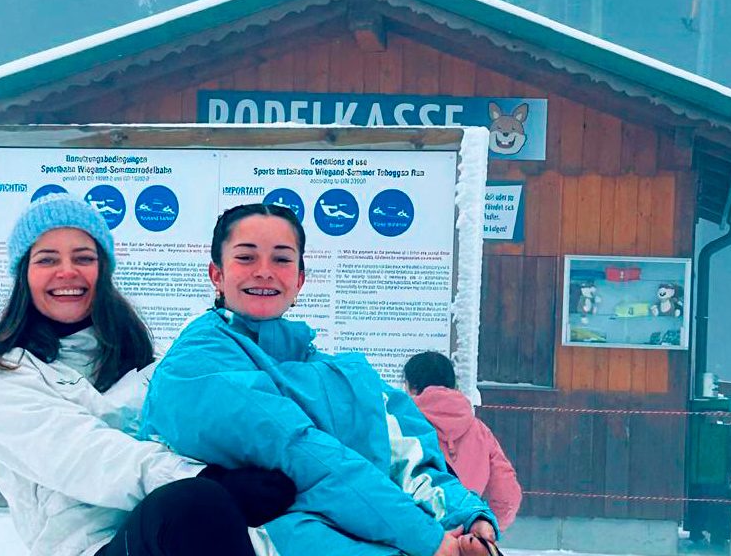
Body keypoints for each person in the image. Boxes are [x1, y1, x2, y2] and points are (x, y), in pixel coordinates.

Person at [140, 203, 500, 556]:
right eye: (246, 257)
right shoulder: (197, 363)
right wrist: (428, 540)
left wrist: (465, 517)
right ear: (216, 274)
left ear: (299, 280)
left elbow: (405, 454)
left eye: (281, 259)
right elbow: (301, 454)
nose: (264, 272)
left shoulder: (340, 375)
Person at [0, 194, 295, 556]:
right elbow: (83, 455)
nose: (67, 271)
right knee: (193, 503)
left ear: (103, 271)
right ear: (24, 275)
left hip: (188, 538)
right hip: (92, 547)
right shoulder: (3, 376)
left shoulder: (150, 365)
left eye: (84, 258)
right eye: (47, 259)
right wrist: (207, 478)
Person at [404, 351, 523, 531]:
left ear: (412, 388)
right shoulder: (479, 431)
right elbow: (507, 496)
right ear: (453, 384)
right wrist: (482, 528)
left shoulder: (400, 428)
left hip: (410, 537)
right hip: (462, 536)